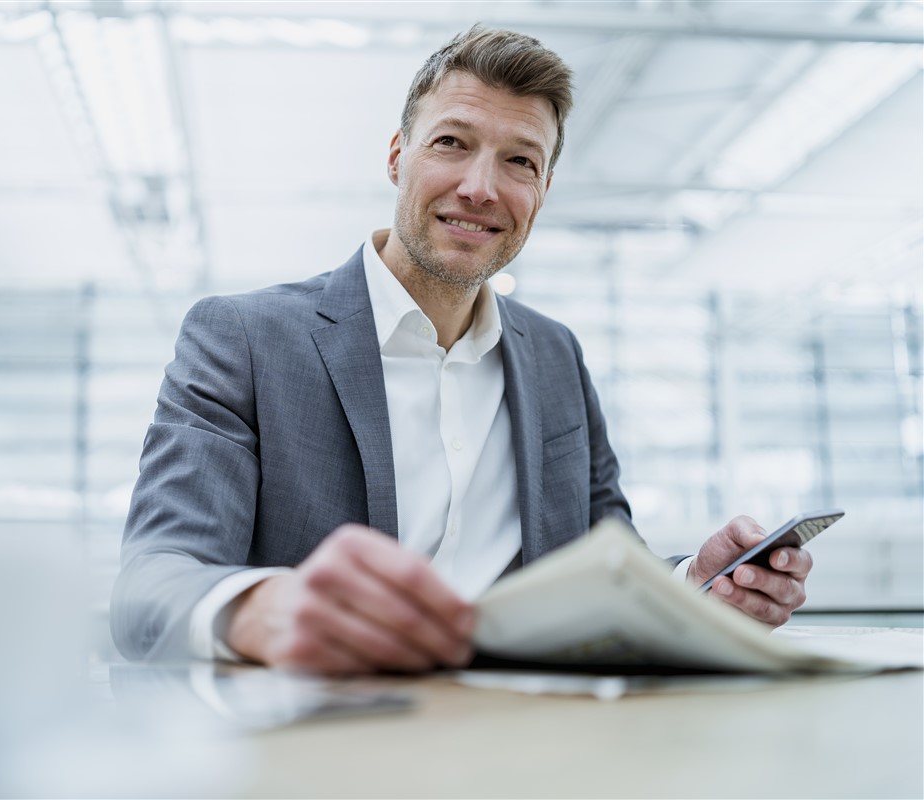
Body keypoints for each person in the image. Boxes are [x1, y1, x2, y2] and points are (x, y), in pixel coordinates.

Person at [110, 25, 813, 673]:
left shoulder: (555, 356)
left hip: (528, 744)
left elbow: (607, 572)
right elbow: (154, 579)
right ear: (397, 156)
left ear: (541, 190)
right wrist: (259, 610)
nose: (480, 188)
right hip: (319, 745)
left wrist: (697, 586)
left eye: (519, 161)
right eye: (451, 143)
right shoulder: (246, 339)